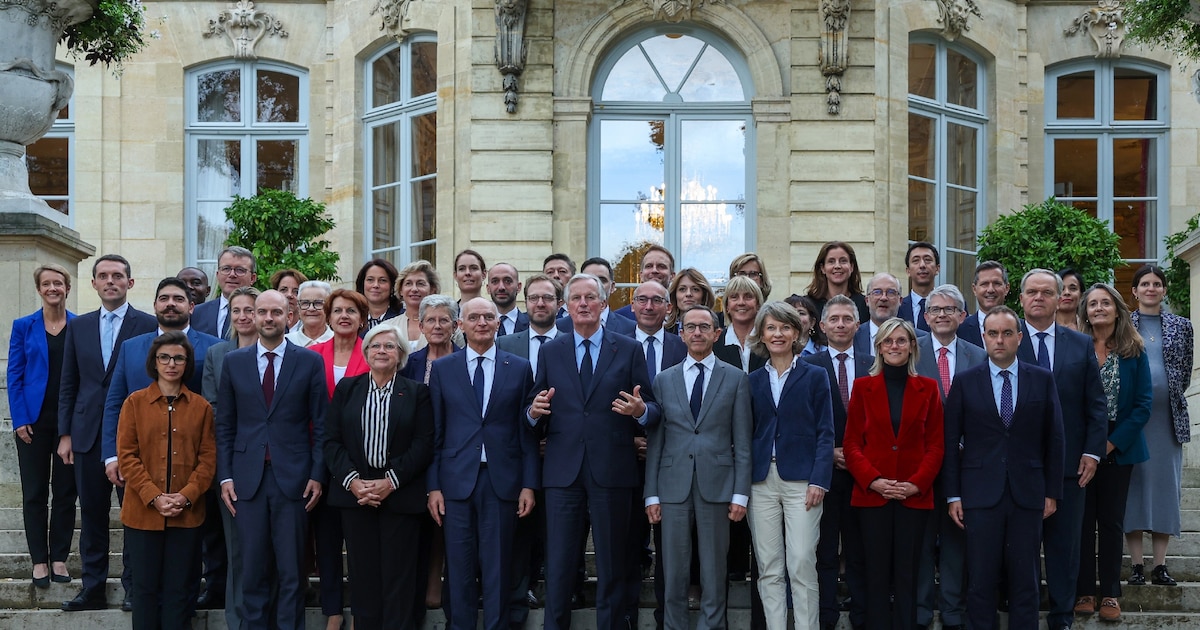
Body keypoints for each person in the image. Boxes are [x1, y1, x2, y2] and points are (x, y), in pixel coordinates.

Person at [527, 272, 660, 630]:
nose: (583, 304)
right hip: (562, 471)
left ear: (604, 305)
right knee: (559, 563)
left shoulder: (628, 347)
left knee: (613, 561)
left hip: (612, 469)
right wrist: (532, 412)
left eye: (591, 298)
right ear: (565, 307)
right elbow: (535, 404)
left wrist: (640, 411)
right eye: (576, 299)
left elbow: (651, 406)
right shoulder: (551, 349)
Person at [942, 306, 1064, 630]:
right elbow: (950, 441)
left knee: (1026, 580)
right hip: (980, 494)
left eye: (1007, 333)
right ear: (983, 338)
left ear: (1019, 338)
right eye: (993, 333)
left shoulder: (1041, 378)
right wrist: (953, 495)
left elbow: (1055, 438)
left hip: (1028, 493)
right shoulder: (966, 382)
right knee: (980, 580)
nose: (1000, 340)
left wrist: (1052, 492)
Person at [216, 290, 327, 629]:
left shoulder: (308, 361)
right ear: (252, 315)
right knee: (252, 569)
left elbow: (321, 424)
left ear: (288, 315)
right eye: (261, 311)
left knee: (291, 571)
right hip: (246, 481)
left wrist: (317, 474)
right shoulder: (234, 362)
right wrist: (225, 477)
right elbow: (225, 425)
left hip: (293, 480)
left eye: (275, 312)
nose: (267, 318)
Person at [427, 298, 539, 630]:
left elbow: (526, 433)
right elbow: (436, 432)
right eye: (473, 317)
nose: (481, 322)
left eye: (488, 317)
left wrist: (529, 484)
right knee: (459, 568)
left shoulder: (518, 367)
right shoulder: (444, 369)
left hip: (502, 481)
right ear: (460, 325)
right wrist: (433, 486)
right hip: (455, 483)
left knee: (498, 567)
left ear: (498, 324)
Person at [58, 254, 158, 612]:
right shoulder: (79, 326)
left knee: (134, 515)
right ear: (94, 284)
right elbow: (68, 383)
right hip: (85, 435)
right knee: (94, 516)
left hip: (132, 437)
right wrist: (65, 433)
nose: (110, 281)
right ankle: (93, 587)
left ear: (130, 283)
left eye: (118, 276)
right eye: (103, 276)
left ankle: (134, 587)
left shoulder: (148, 325)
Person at [644, 305, 751, 629]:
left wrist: (740, 493)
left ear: (717, 334)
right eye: (690, 327)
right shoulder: (664, 379)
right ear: (681, 334)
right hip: (672, 485)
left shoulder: (736, 379)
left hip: (718, 485)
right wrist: (651, 495)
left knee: (713, 569)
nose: (697, 333)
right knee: (673, 571)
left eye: (705, 327)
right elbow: (657, 441)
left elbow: (743, 442)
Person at [324, 324, 434, 629]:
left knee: (399, 576)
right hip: (355, 494)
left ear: (400, 355)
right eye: (375, 346)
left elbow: (424, 443)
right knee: (362, 574)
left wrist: (390, 481)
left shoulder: (416, 392)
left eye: (389, 346)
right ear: (366, 353)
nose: (382, 351)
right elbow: (331, 440)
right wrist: (353, 482)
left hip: (399, 493)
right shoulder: (348, 388)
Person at [1014, 269, 1106, 630]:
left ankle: (1062, 617)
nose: (1039, 297)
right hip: (1018, 466)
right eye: (1032, 292)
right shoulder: (1006, 339)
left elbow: (1095, 405)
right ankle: (1024, 615)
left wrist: (1093, 453)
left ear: (1059, 299)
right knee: (1020, 548)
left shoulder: (1079, 343)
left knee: (1065, 548)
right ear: (1020, 298)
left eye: (1047, 292)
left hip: (1070, 465)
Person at [843, 318, 944, 630]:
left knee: (907, 574)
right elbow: (851, 444)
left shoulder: (928, 388)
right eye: (888, 342)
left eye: (901, 341)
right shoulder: (863, 387)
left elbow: (936, 445)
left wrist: (915, 485)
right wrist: (874, 481)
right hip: (872, 496)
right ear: (879, 348)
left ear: (912, 346)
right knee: (874, 572)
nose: (895, 346)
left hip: (913, 497)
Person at [117, 331, 216, 630]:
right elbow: (127, 456)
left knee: (179, 591)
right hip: (142, 514)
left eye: (178, 358)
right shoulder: (134, 403)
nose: (171, 363)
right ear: (154, 362)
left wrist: (185, 496)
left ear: (187, 363)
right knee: (144, 590)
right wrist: (154, 496)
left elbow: (208, 460)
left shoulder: (201, 407)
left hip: (186, 516)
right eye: (165, 357)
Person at [747, 301, 835, 630]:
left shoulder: (815, 375)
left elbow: (826, 432)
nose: (778, 333)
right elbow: (746, 434)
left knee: (800, 561)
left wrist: (819, 480)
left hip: (803, 481)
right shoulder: (753, 380)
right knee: (769, 566)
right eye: (771, 327)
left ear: (796, 332)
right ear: (762, 335)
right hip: (760, 481)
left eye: (785, 327)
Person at [1074, 283, 1150, 622]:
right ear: (1085, 312)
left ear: (1118, 309)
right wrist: (1088, 445)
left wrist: (1110, 443)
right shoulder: (1075, 347)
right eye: (1093, 304)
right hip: (1080, 446)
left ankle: (1110, 595)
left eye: (1106, 303)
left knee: (1110, 521)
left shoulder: (1134, 349)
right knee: (1081, 521)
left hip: (1120, 445)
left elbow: (1143, 405)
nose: (1099, 308)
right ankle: (1084, 591)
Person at [913, 284, 986, 630]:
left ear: (962, 315)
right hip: (920, 464)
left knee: (957, 540)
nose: (942, 315)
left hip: (965, 465)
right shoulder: (911, 352)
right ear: (925, 318)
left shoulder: (979, 355)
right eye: (935, 310)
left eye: (949, 309)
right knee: (922, 541)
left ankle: (954, 612)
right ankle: (921, 610)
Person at [803, 295, 872, 630]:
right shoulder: (810, 367)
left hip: (865, 474)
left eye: (848, 319)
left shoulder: (874, 362)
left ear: (858, 326)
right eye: (835, 319)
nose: (841, 324)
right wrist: (827, 451)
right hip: (824, 473)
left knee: (860, 552)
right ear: (822, 326)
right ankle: (825, 617)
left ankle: (862, 617)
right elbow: (802, 421)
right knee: (825, 552)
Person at [496, 274, 561, 625]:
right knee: (518, 537)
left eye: (548, 298)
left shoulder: (572, 341)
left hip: (562, 455)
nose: (540, 303)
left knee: (559, 536)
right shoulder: (505, 344)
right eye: (534, 298)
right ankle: (517, 601)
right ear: (525, 302)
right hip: (515, 454)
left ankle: (558, 598)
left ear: (558, 304)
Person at [8, 263, 77, 588]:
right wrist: (19, 419)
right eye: (47, 283)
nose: (53, 288)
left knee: (65, 492)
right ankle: (39, 561)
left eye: (58, 283)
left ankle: (59, 558)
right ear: (39, 289)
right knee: (34, 493)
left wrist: (75, 427)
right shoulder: (23, 326)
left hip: (69, 425)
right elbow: (15, 375)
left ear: (67, 288)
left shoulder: (80, 326)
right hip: (32, 424)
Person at [1124, 264, 1193, 588]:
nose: (1151, 288)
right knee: (1134, 488)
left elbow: (1185, 368)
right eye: (1145, 284)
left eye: (1157, 283)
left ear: (1164, 290)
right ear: (1134, 291)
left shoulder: (1183, 326)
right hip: (1133, 419)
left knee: (1165, 488)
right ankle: (1137, 564)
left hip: (1167, 419)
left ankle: (1160, 565)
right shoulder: (1123, 325)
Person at [308, 288, 370, 630]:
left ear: (362, 319)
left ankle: (362, 609)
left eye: (351, 311)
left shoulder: (373, 352)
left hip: (363, 462)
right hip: (322, 460)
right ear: (328, 318)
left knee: (360, 545)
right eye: (337, 311)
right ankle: (332, 609)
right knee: (327, 540)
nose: (344, 316)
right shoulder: (312, 355)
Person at [627, 280, 687, 626]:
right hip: (625, 458)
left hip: (673, 460)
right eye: (642, 300)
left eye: (657, 301)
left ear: (669, 308)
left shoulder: (683, 346)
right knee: (628, 542)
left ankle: (668, 614)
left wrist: (659, 442)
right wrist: (631, 440)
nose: (649, 306)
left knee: (671, 548)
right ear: (632, 306)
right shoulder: (614, 346)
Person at [200, 285, 259, 628]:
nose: (243, 317)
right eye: (237, 311)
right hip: (233, 460)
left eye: (249, 310)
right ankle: (238, 620)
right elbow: (213, 408)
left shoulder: (284, 351)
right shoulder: (217, 354)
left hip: (275, 461)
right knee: (236, 546)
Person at [397, 294, 459, 618]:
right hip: (415, 455)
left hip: (454, 454)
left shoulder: (467, 359)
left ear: (455, 325)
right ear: (419, 326)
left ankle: (441, 587)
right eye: (430, 320)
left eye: (443, 320)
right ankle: (419, 589)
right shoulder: (409, 364)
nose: (437, 326)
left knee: (448, 526)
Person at [853, 272, 930, 356]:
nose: (883, 298)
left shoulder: (921, 339)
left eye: (891, 292)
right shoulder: (853, 336)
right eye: (877, 292)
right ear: (867, 300)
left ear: (900, 301)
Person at [557, 257, 638, 337]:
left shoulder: (630, 328)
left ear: (612, 287)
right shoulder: (558, 327)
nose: (596, 285)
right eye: (589, 280)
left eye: (602, 280)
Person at [192, 246, 258, 338]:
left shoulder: (263, 313)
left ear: (252, 278)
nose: (232, 275)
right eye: (226, 269)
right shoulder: (196, 313)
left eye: (240, 270)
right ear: (218, 275)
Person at [805, 241, 870, 324]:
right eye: (831, 261)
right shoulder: (809, 306)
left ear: (852, 267)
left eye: (843, 261)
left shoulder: (865, 305)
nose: (837, 266)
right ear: (822, 268)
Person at [716, 275, 766, 374]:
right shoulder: (715, 343)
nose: (741, 302)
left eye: (748, 297)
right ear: (727, 306)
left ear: (758, 305)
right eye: (734, 297)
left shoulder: (769, 340)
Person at [614, 245, 676, 321]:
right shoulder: (620, 318)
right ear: (641, 275)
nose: (654, 270)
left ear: (672, 276)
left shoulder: (681, 316)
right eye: (649, 266)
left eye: (661, 266)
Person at [956, 261, 1010, 348]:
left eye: (996, 283)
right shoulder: (960, 330)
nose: (990, 290)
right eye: (984, 284)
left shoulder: (1021, 328)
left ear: (1006, 288)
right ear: (974, 289)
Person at [391, 260, 441, 351]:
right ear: (401, 290)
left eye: (420, 284)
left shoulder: (446, 326)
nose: (414, 289)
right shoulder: (388, 326)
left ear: (432, 289)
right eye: (408, 283)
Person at [898, 242, 940, 332]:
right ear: (908, 271)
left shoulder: (953, 307)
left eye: (927, 260)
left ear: (937, 269)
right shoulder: (897, 307)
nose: (922, 265)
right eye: (916, 261)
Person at [665, 268, 717, 334]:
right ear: (674, 295)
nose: (688, 294)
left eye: (695, 289)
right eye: (682, 289)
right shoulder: (664, 331)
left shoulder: (716, 330)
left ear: (704, 295)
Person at [356, 258, 404, 329]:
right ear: (362, 284)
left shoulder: (403, 317)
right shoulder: (354, 318)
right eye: (370, 280)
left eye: (382, 280)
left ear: (393, 287)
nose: (375, 285)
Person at [286, 280, 334, 347]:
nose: (311, 309)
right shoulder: (286, 342)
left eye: (318, 303)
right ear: (298, 308)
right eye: (305, 303)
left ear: (329, 307)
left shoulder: (338, 341)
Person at [488, 262, 529, 336]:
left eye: (508, 281)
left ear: (518, 287)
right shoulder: (480, 326)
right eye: (495, 281)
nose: (501, 287)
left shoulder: (532, 325)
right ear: (488, 288)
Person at [542, 253, 576, 320]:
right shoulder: (532, 316)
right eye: (550, 272)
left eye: (562, 271)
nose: (556, 275)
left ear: (573, 277)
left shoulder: (581, 313)